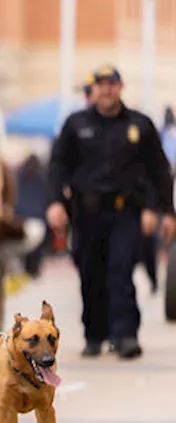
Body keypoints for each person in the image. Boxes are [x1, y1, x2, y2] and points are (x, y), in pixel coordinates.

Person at [45, 65, 175, 359]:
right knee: (91, 273)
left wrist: (163, 211)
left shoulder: (140, 125)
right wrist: (54, 203)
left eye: (112, 84)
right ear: (94, 89)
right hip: (86, 213)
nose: (106, 90)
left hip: (126, 212)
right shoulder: (75, 125)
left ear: (120, 87)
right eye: (101, 84)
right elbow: (57, 167)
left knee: (120, 269)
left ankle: (125, 334)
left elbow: (159, 171)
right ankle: (95, 334)